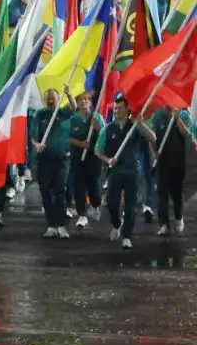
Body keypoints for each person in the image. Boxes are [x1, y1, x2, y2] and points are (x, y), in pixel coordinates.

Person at [95, 94, 156, 250]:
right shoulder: (108, 128)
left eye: (119, 108)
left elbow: (153, 138)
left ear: (127, 109)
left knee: (130, 206)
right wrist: (107, 160)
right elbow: (97, 150)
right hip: (115, 171)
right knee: (112, 203)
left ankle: (127, 236)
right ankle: (116, 224)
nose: (116, 111)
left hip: (133, 171)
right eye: (115, 108)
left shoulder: (135, 126)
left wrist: (140, 123)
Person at [30, 87, 75, 239]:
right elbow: (33, 137)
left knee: (60, 192)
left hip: (61, 160)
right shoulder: (39, 114)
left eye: (53, 97)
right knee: (45, 192)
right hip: (44, 160)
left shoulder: (62, 113)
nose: (50, 100)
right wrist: (37, 145)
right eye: (47, 98)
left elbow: (74, 108)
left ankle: (61, 225)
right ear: (44, 100)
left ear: (58, 99)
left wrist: (69, 94)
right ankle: (51, 225)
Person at [149, 105, 191, 236]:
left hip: (178, 161)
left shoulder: (183, 114)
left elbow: (186, 133)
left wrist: (177, 119)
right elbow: (152, 137)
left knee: (177, 193)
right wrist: (154, 152)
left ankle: (179, 218)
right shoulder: (157, 116)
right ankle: (164, 224)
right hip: (162, 162)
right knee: (162, 194)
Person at [68, 91, 103, 229]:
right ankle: (82, 215)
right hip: (77, 156)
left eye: (86, 100)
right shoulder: (72, 119)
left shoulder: (97, 117)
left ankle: (95, 205)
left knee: (93, 184)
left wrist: (97, 127)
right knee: (78, 185)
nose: (83, 102)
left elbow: (104, 135)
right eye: (81, 100)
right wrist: (80, 144)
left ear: (90, 103)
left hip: (94, 157)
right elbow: (68, 137)